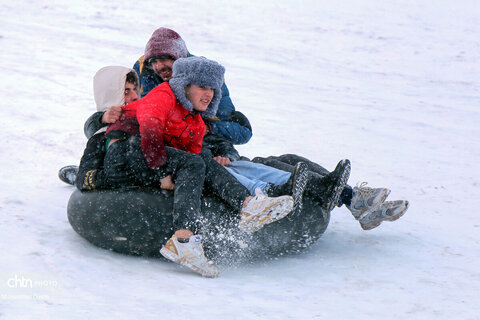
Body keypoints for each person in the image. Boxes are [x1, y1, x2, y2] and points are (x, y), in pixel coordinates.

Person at [103, 57, 295, 277]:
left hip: (149, 154)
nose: (209, 94)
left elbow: (196, 157)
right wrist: (163, 174)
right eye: (202, 86)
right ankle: (183, 240)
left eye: (213, 88)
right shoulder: (163, 95)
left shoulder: (195, 120)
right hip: (124, 151)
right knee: (192, 162)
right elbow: (150, 133)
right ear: (184, 85)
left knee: (201, 161)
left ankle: (247, 204)